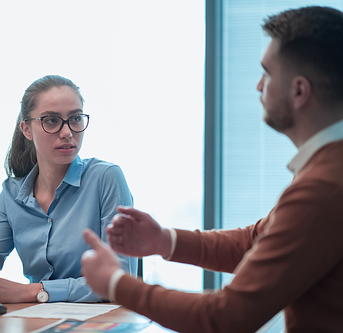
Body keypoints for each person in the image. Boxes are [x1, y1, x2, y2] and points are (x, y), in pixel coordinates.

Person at [81, 6, 343, 332]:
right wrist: (164, 241)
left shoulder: (323, 186)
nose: (259, 86)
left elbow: (224, 317)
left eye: (268, 73)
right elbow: (258, 240)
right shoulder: (328, 168)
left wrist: (116, 284)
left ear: (299, 91)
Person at [0, 75, 137, 303]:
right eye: (51, 121)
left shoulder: (106, 178)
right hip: (39, 322)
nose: (67, 132)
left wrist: (35, 291)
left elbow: (121, 281)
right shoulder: (11, 194)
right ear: (26, 129)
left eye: (76, 118)